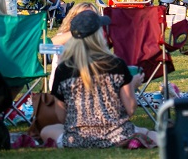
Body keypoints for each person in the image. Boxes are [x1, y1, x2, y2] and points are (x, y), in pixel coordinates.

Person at [41, 10, 158, 148]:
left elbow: (61, 116)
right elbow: (130, 109)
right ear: (97, 36)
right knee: (149, 133)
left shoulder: (63, 70)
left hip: (77, 139)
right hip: (118, 135)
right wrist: (131, 84)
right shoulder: (116, 65)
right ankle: (135, 141)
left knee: (46, 131)